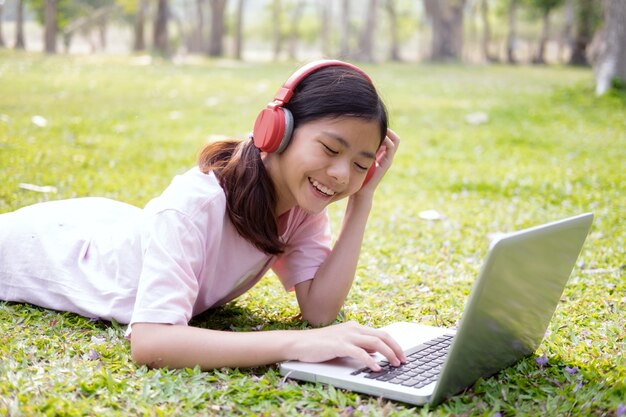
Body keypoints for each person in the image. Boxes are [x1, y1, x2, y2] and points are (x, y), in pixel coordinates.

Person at [0, 60, 404, 372]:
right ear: (276, 130)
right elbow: (152, 343)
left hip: (113, 227)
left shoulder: (302, 202)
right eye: (331, 150)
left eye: (360, 164)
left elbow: (318, 310)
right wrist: (295, 344)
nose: (340, 174)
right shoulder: (194, 207)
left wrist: (362, 200)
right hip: (45, 250)